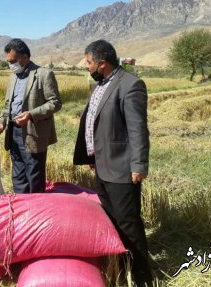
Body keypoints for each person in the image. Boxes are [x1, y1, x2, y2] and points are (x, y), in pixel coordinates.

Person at [73, 40, 153, 286]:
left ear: (102, 63)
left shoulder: (130, 85)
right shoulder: (101, 85)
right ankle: (121, 266)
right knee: (111, 219)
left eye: (89, 62)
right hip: (102, 165)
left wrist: (139, 165)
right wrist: (92, 156)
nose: (87, 66)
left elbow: (137, 128)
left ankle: (142, 276)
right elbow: (95, 124)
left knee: (128, 222)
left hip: (121, 168)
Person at [0, 39, 62, 193]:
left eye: (13, 61)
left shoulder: (43, 74)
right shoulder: (13, 77)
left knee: (34, 177)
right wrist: (1, 122)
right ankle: (21, 209)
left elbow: (55, 102)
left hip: (33, 134)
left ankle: (35, 211)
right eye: (8, 61)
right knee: (18, 176)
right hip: (14, 133)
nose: (10, 65)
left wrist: (31, 115)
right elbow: (7, 107)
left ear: (24, 57)